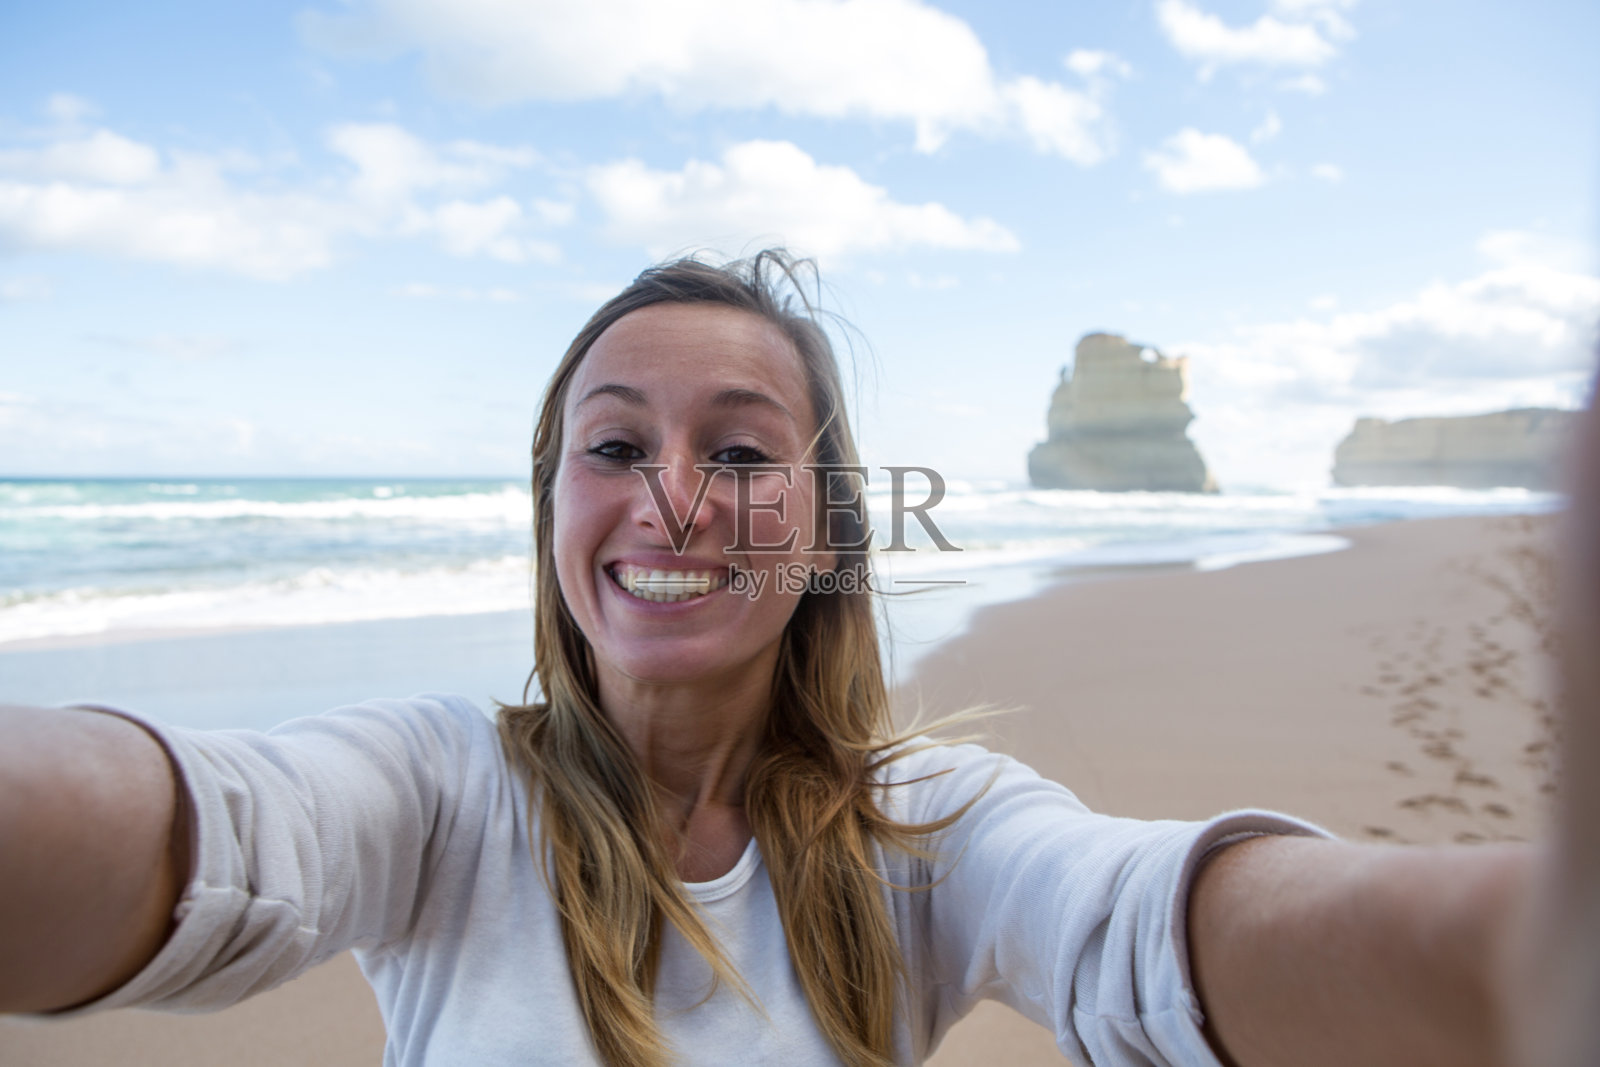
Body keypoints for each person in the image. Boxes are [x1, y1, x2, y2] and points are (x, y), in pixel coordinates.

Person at [0, 249, 1595, 1067]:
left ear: (827, 525)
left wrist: (1536, 941)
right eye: (612, 443)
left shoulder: (931, 832)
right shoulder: (436, 793)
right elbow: (204, 828)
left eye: (743, 453)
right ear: (556, 508)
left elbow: (1152, 929)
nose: (672, 496)